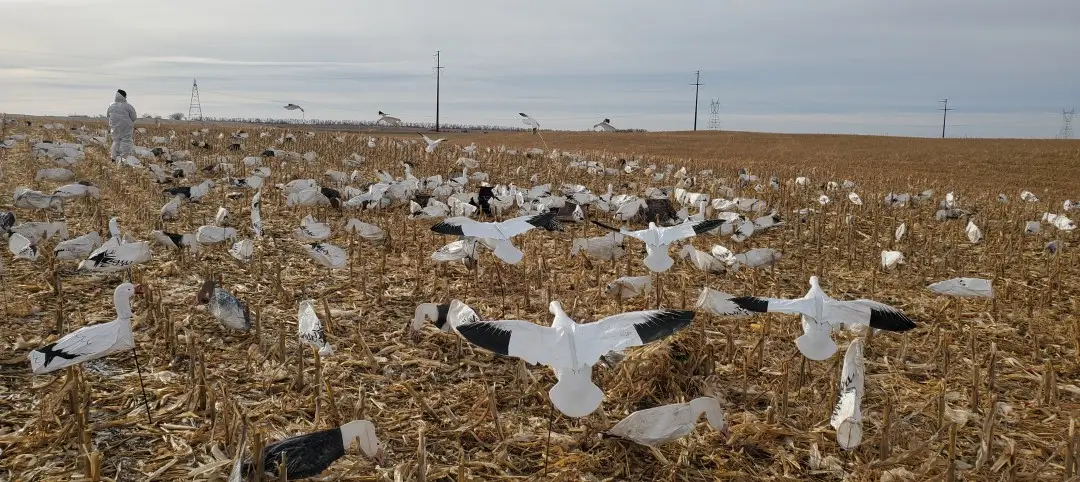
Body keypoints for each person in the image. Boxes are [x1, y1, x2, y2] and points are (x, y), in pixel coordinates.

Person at [107, 89, 137, 161]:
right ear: (124, 96)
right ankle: (124, 159)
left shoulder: (111, 106)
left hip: (114, 127)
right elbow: (134, 117)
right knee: (126, 141)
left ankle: (113, 158)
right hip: (126, 126)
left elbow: (108, 115)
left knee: (116, 141)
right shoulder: (128, 106)